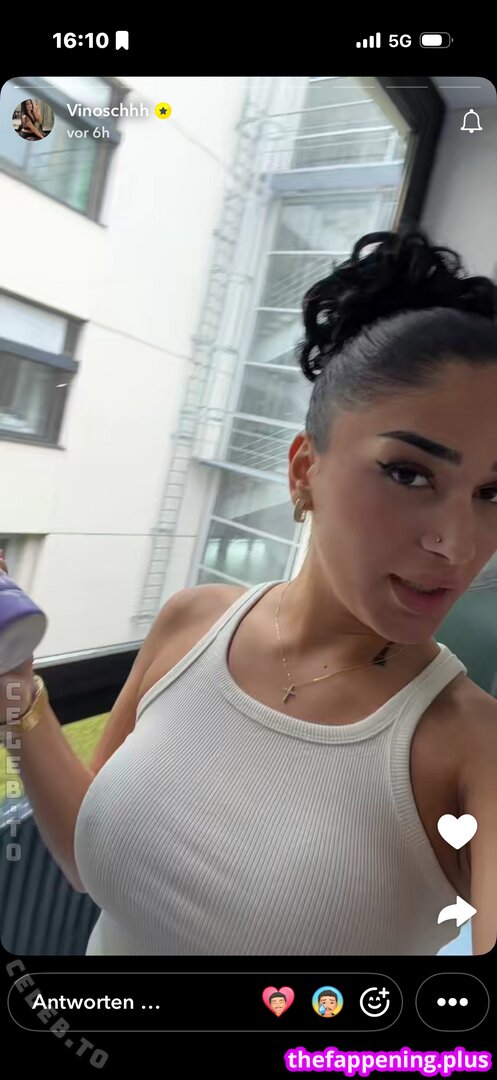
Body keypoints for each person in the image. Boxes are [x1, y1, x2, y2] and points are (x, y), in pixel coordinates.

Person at [1, 229, 497, 957]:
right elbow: (85, 855)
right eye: (408, 473)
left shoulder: (471, 749)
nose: (459, 545)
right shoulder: (190, 623)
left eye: (492, 493)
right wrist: (15, 684)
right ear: (303, 471)